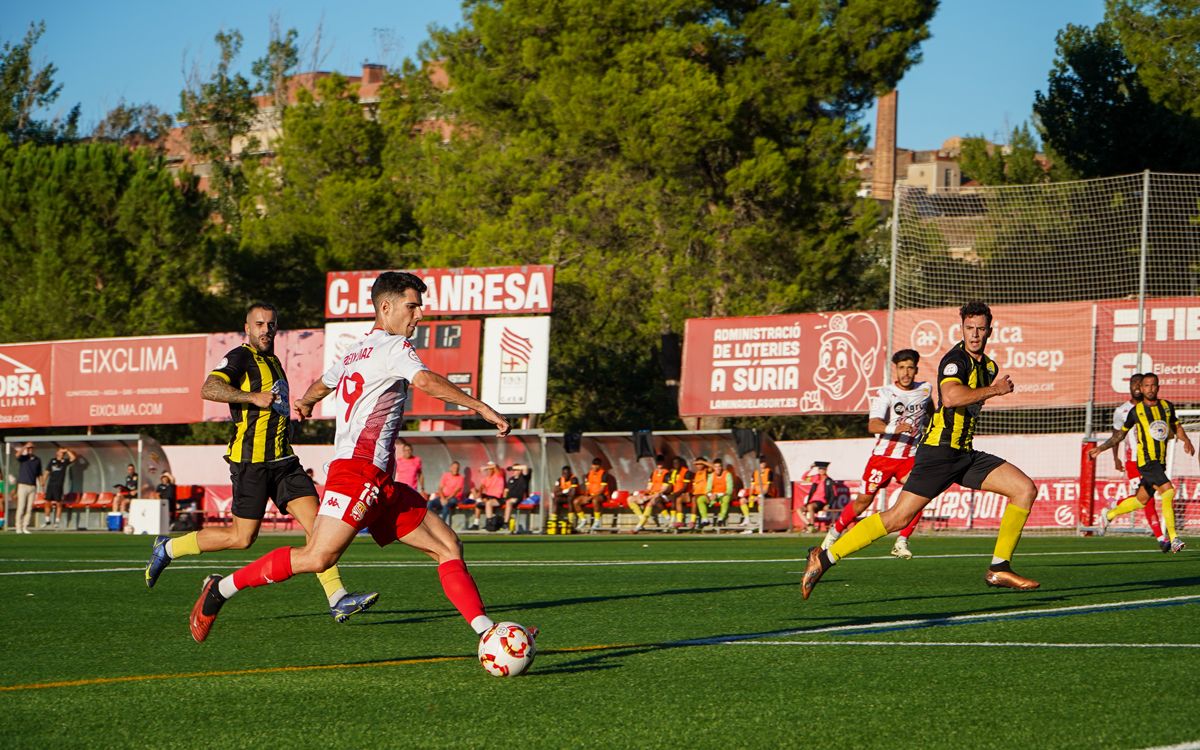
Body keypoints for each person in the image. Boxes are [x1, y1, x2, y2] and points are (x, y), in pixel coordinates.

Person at [188, 271, 529, 651]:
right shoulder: (394, 347)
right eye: (412, 306)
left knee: (448, 545)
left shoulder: (356, 351)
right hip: (356, 473)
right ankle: (220, 590)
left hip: (380, 480)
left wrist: (307, 401)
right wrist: (480, 407)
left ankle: (486, 632)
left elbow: (323, 383)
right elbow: (427, 381)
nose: (418, 316)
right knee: (317, 557)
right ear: (386, 307)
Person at [146, 301, 378, 624]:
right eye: (259, 324)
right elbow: (208, 388)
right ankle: (168, 549)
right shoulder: (241, 357)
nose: (266, 330)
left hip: (285, 462)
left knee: (318, 528)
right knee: (242, 538)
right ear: (247, 328)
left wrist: (297, 410)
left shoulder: (276, 362)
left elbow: (273, 408)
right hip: (251, 463)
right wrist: (251, 397)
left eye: (270, 324)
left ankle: (338, 598)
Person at [801, 301, 1042, 599]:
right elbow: (952, 397)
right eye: (970, 328)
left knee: (1024, 489)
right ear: (962, 329)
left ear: (989, 330)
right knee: (897, 518)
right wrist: (995, 390)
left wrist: (986, 391)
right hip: (938, 453)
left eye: (981, 328)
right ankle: (823, 557)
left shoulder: (989, 366)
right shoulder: (955, 361)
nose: (975, 334)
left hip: (964, 454)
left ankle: (999, 567)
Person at [822, 349, 934, 560]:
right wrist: (895, 429)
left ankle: (901, 541)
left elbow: (931, 412)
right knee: (863, 502)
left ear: (916, 369)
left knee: (920, 495)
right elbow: (873, 424)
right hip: (882, 459)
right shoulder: (885, 393)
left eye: (910, 368)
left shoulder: (926, 390)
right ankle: (833, 533)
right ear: (896, 369)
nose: (906, 372)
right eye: (901, 368)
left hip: (909, 458)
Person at [1088, 371, 1195, 553]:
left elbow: (1176, 426)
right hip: (1145, 461)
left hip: (1159, 461)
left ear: (1158, 387)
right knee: (1168, 492)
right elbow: (1119, 435)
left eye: (1153, 385)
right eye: (1146, 386)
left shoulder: (1167, 407)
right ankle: (1173, 537)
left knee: (1142, 500)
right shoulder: (1135, 412)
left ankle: (1110, 514)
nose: (1150, 389)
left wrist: (1186, 440)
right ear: (1141, 388)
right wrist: (1101, 448)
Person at [1104, 373, 1169, 551]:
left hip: (1151, 460)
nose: (1137, 387)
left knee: (1145, 497)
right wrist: (1115, 457)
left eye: (1140, 384)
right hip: (1133, 461)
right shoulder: (1122, 411)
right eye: (1134, 384)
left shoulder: (1153, 408)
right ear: (1131, 387)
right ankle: (1161, 537)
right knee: (1148, 499)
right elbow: (1116, 435)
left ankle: (1114, 505)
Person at [629, 455, 671, 533]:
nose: (659, 463)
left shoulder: (667, 473)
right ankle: (642, 518)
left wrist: (650, 497)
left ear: (664, 462)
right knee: (630, 499)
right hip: (652, 494)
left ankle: (638, 527)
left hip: (662, 495)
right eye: (658, 461)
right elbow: (649, 487)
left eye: (661, 461)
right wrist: (644, 493)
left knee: (650, 503)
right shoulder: (653, 473)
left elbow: (664, 489)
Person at [573, 457, 611, 532]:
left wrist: (591, 497)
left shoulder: (604, 474)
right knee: (576, 501)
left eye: (597, 465)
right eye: (593, 465)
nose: (595, 467)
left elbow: (602, 489)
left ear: (600, 466)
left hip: (602, 496)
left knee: (595, 500)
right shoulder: (588, 474)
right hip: (590, 495)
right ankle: (583, 520)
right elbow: (587, 487)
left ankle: (597, 521)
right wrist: (586, 495)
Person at [698, 458, 735, 530]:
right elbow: (708, 489)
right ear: (714, 468)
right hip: (713, 497)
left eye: (719, 466)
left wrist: (717, 495)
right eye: (716, 467)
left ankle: (720, 519)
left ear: (721, 467)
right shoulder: (711, 475)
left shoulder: (727, 475)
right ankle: (705, 519)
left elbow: (729, 490)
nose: (717, 468)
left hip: (724, 495)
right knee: (700, 499)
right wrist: (710, 495)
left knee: (726, 499)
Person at [13, 442, 42, 534]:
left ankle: (25, 526)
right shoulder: (23, 458)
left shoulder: (37, 460)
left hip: (32, 486)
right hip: (22, 485)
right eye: (29, 448)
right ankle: (18, 527)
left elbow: (39, 473)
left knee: (29, 508)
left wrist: (41, 482)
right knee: (21, 507)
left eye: (31, 448)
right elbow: (17, 455)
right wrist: (24, 447)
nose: (30, 450)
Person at [799, 461, 835, 533]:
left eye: (823, 469)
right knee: (799, 510)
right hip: (812, 501)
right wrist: (810, 468)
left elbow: (833, 494)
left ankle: (812, 525)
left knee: (810, 506)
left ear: (826, 470)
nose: (821, 471)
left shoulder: (829, 481)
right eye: (820, 469)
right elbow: (804, 478)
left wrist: (828, 504)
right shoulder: (815, 478)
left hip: (821, 502)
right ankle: (809, 525)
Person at [41, 448, 72, 528]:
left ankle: (57, 522)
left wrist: (67, 451)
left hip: (59, 486)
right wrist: (43, 481)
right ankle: (47, 520)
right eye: (60, 451)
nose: (61, 453)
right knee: (47, 502)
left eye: (62, 452)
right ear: (57, 453)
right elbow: (47, 471)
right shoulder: (52, 461)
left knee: (59, 503)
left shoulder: (65, 462)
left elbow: (73, 458)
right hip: (50, 485)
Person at [471, 462, 506, 531]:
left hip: (497, 498)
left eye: (490, 468)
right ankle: (476, 524)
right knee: (478, 503)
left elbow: (495, 465)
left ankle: (489, 523)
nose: (489, 470)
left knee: (488, 503)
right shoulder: (486, 478)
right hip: (488, 497)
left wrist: (485, 467)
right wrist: (478, 493)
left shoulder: (498, 475)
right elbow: (481, 487)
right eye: (488, 469)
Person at [501, 464, 531, 532]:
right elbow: (506, 490)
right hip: (508, 498)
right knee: (488, 502)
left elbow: (525, 467)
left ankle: (506, 523)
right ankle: (492, 523)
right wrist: (504, 497)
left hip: (519, 498)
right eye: (513, 470)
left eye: (515, 470)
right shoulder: (511, 479)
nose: (513, 471)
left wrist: (512, 467)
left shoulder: (524, 477)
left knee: (509, 502)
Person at [666, 457, 693, 530]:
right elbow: (671, 486)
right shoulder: (673, 473)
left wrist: (674, 494)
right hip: (676, 494)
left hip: (686, 494)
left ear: (681, 464)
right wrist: (664, 493)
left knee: (677, 499)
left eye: (677, 463)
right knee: (660, 499)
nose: (675, 465)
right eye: (674, 463)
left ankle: (678, 520)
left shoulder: (686, 472)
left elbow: (685, 488)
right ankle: (670, 519)